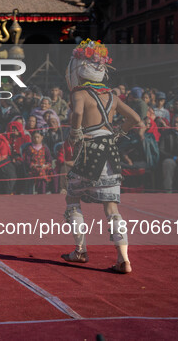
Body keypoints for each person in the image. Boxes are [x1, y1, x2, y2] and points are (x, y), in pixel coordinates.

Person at [62, 40, 143, 274]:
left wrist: (75, 133)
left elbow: (77, 112)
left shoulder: (80, 94)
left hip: (89, 151)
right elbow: (136, 119)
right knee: (111, 208)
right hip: (111, 153)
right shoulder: (112, 96)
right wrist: (118, 134)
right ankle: (123, 259)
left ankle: (79, 250)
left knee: (72, 199)